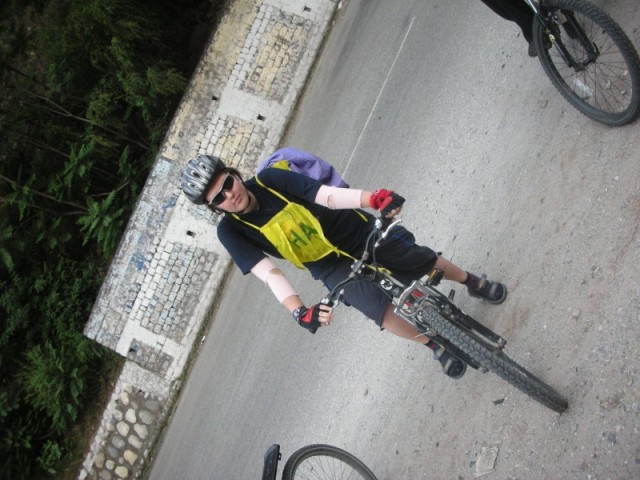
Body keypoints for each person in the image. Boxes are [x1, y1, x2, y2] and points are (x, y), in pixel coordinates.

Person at [180, 149, 508, 379]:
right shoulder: (230, 231)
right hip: (327, 265)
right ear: (215, 208)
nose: (229, 195)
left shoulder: (269, 180)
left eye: (227, 183)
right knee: (376, 308)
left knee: (415, 258)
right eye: (218, 198)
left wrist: (373, 199)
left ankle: (472, 282)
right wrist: (299, 311)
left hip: (352, 229)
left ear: (234, 174)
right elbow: (270, 273)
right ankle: (434, 344)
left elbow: (326, 196)